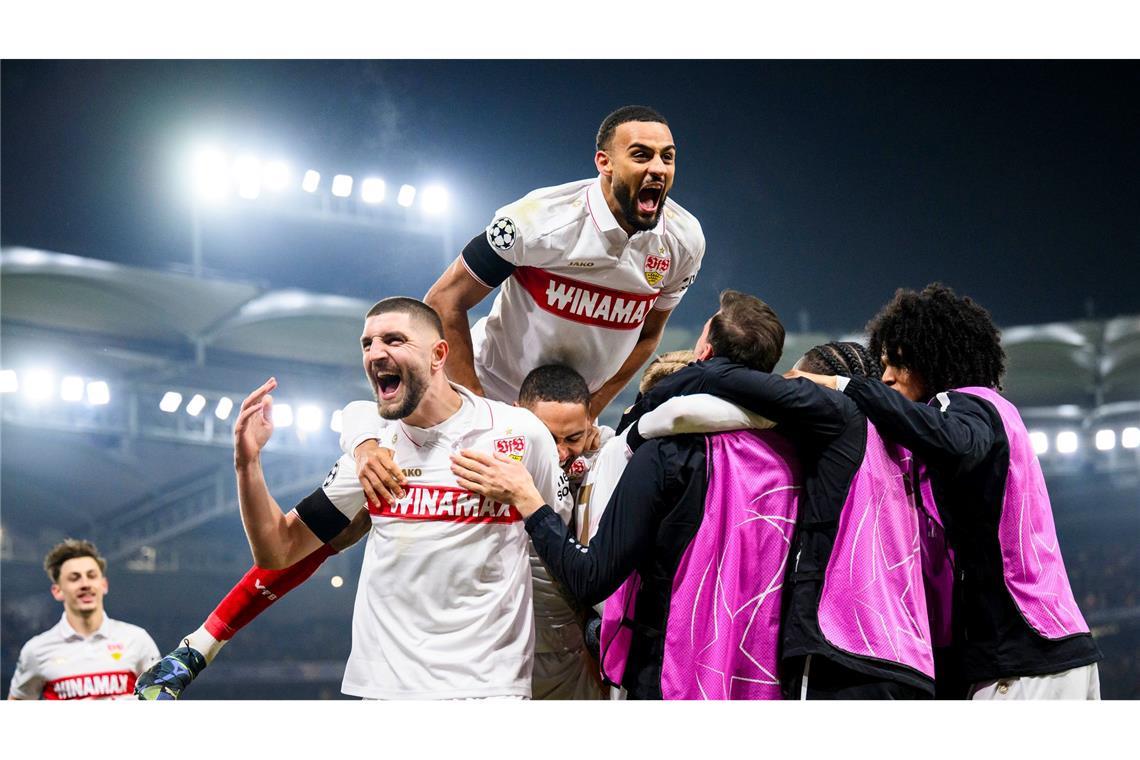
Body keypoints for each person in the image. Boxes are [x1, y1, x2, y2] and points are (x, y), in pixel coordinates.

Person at [155, 297, 571, 700]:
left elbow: (555, 547)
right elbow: (278, 550)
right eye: (367, 343)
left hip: (489, 689)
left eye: (393, 340)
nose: (375, 353)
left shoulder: (518, 434)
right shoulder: (371, 454)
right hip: (384, 690)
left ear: (438, 354)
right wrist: (248, 463)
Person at [451, 291, 800, 699]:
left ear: (703, 351)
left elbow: (592, 577)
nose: (558, 451)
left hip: (662, 667)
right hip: (756, 667)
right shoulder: (796, 452)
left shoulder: (640, 450)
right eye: (546, 437)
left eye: (573, 437)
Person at [791, 283, 1102, 699]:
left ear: (928, 354)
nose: (886, 376)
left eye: (895, 363)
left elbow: (955, 441)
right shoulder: (998, 412)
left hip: (1024, 660)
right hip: (1053, 651)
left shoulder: (966, 404)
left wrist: (847, 386)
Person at [624, 340, 940, 698]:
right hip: (912, 660)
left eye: (796, 383)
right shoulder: (899, 447)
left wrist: (640, 423)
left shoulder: (839, 420)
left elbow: (703, 407)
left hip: (848, 652)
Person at [424, 104, 705, 420]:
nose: (658, 168)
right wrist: (474, 409)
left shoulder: (684, 241)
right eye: (641, 155)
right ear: (604, 162)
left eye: (667, 157)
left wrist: (590, 412)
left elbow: (648, 335)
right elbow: (443, 300)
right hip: (495, 397)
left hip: (572, 423)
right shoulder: (535, 223)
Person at [9, 539, 159, 700]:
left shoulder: (137, 639)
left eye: (91, 576)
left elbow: (161, 699)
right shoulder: (36, 650)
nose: (85, 584)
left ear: (104, 585)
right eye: (75, 578)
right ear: (57, 591)